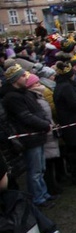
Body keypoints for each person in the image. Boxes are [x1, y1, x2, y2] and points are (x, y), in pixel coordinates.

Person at [0, 65, 53, 206]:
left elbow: (38, 110)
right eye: (23, 76)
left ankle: (44, 193)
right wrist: (44, 124)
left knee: (41, 167)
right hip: (29, 137)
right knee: (34, 169)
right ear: (15, 79)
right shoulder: (12, 97)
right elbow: (26, 116)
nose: (26, 78)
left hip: (37, 134)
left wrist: (46, 121)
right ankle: (38, 197)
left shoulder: (25, 93)